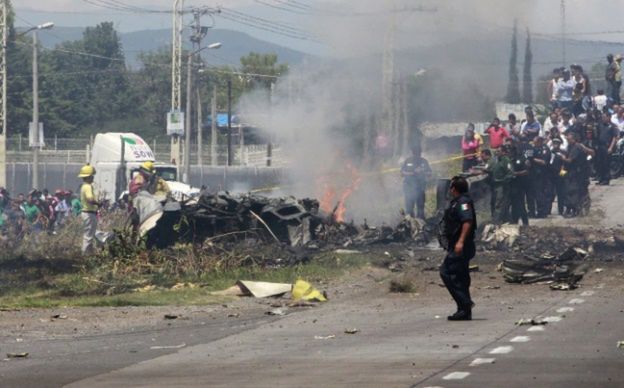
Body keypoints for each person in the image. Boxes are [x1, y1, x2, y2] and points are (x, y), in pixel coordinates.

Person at [439, 176, 476, 321]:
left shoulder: (463, 202)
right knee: (461, 276)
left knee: (446, 272)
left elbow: (467, 221)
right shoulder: (457, 202)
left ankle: (465, 303)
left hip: (461, 245)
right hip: (457, 244)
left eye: (450, 187)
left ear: (454, 189)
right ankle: (464, 311)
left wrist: (460, 242)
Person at [400, 146, 431, 219]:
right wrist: (413, 173)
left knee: (420, 207)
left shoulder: (424, 161)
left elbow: (430, 173)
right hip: (409, 188)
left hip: (420, 188)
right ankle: (410, 222)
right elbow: (402, 173)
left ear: (420, 153)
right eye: (415, 153)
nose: (417, 155)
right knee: (409, 208)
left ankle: (421, 222)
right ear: (412, 153)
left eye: (418, 153)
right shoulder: (408, 161)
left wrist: (422, 172)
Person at [78, 164, 100, 254]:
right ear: (88, 177)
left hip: (88, 213)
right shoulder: (87, 186)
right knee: (88, 236)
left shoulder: (84, 186)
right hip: (89, 213)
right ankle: (85, 255)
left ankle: (89, 253)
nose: (93, 178)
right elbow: (90, 199)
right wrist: (99, 203)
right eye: (92, 176)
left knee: (89, 234)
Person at [529, 136, 552, 218]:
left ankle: (542, 212)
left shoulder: (545, 149)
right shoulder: (532, 148)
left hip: (542, 175)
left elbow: (543, 162)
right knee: (534, 194)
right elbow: (526, 157)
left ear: (539, 142)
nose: (533, 143)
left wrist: (533, 159)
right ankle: (533, 212)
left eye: (535, 142)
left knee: (541, 194)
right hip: (533, 175)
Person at [596, 111, 619, 185]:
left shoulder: (612, 126)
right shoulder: (600, 125)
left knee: (606, 163)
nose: (603, 118)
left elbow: (614, 138)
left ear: (609, 117)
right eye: (602, 117)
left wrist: (611, 148)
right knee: (600, 163)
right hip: (600, 146)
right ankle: (601, 178)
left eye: (604, 117)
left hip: (607, 146)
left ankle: (606, 179)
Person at [509, 143, 530, 226]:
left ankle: (525, 222)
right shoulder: (510, 159)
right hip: (512, 185)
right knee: (514, 205)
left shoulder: (522, 159)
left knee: (520, 204)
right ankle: (515, 221)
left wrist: (515, 173)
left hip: (520, 185)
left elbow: (526, 171)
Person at [549, 138, 567, 215]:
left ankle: (561, 210)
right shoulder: (550, 152)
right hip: (552, 175)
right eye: (554, 143)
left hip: (560, 175)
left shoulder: (563, 152)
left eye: (557, 143)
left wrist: (562, 174)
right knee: (550, 193)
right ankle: (548, 209)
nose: (555, 144)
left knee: (561, 193)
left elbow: (565, 165)